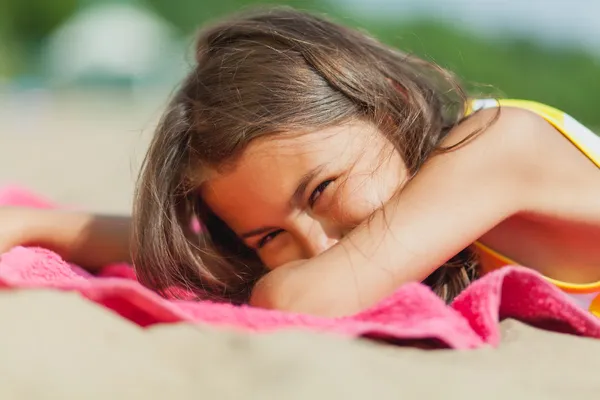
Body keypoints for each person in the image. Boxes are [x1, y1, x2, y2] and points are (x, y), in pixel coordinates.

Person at [1, 7, 599, 317]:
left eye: (319, 193)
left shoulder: (500, 143)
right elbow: (199, 249)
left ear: (387, 103)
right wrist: (35, 226)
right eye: (269, 237)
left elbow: (304, 297)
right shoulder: (408, 212)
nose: (316, 246)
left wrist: (277, 268)